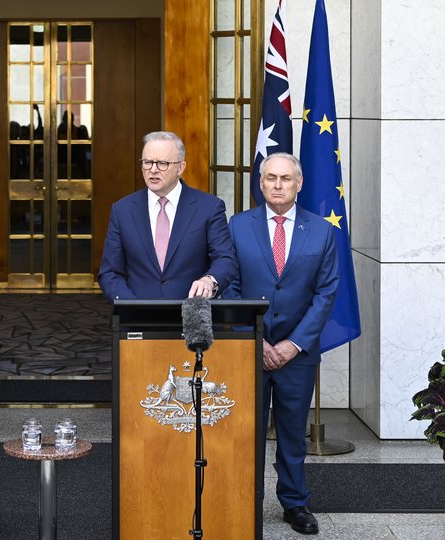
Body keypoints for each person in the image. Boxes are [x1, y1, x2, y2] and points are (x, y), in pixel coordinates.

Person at [222, 152, 338, 535]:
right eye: (270, 177)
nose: (277, 184)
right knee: (245, 432)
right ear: (260, 182)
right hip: (248, 349)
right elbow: (231, 287)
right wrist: (257, 341)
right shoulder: (237, 226)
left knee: (292, 434)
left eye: (285, 178)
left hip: (297, 355)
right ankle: (244, 500)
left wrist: (292, 345)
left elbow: (326, 293)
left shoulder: (321, 231)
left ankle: (295, 504)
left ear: (298, 184)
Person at [98, 130, 237, 301]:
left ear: (180, 168)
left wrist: (210, 281)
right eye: (147, 162)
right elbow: (110, 272)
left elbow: (225, 260)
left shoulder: (209, 207)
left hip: (192, 316)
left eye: (162, 163)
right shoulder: (122, 210)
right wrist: (131, 306)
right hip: (137, 318)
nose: (153, 170)